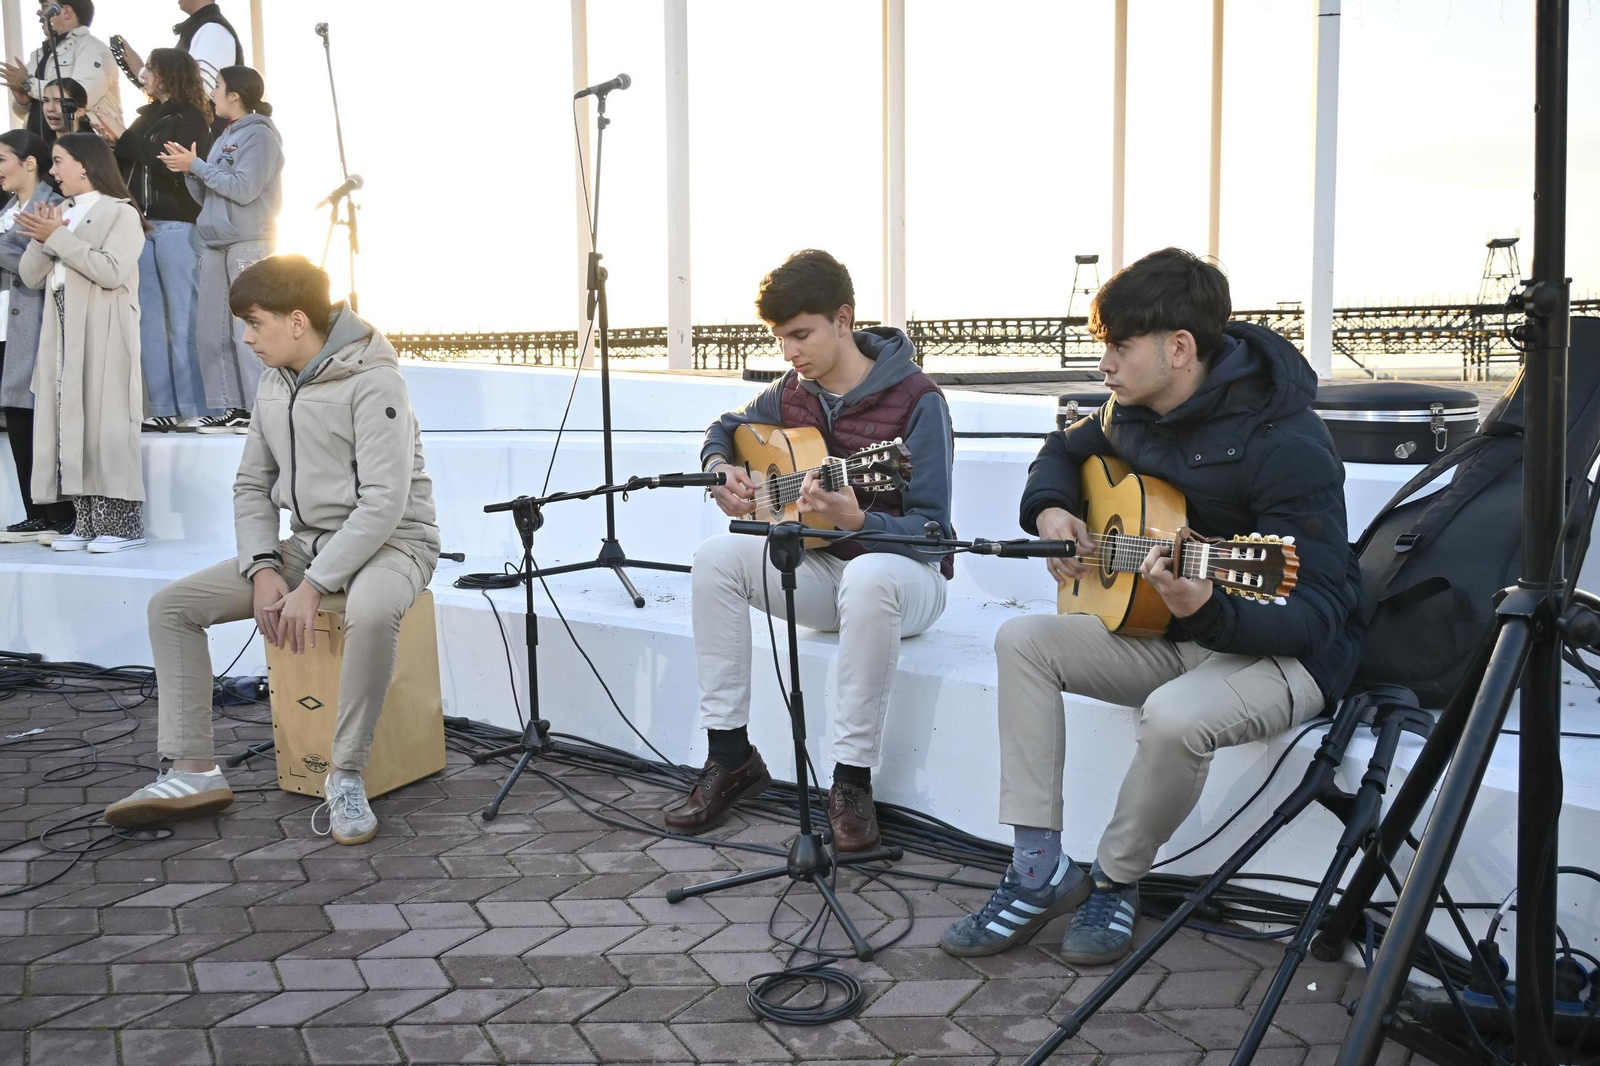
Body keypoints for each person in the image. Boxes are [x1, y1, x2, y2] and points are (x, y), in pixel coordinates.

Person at [939, 248, 1363, 964]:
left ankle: (1115, 880)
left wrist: (1207, 609)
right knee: (1022, 640)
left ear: (1179, 348)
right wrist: (1051, 512)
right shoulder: (1127, 412)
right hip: (1171, 628)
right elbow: (1061, 452)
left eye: (1118, 346)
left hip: (1282, 654)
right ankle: (1039, 869)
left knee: (1173, 717)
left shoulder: (1289, 444)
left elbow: (1318, 606)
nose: (1104, 363)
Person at [102, 255, 441, 845]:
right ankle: (192, 771)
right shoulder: (274, 381)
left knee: (372, 609)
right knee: (172, 607)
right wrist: (263, 567)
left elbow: (384, 504)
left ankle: (346, 774)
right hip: (305, 546)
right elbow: (251, 484)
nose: (247, 337)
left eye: (256, 323)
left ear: (297, 320)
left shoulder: (375, 380)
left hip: (394, 544)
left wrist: (311, 587)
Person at [665, 249, 955, 852]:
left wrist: (862, 519)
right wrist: (720, 468)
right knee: (716, 559)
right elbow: (724, 426)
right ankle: (731, 756)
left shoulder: (918, 401)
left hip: (906, 580)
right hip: (826, 573)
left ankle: (851, 780)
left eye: (801, 335)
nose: (790, 352)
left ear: (844, 319)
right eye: (780, 339)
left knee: (871, 576)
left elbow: (935, 533)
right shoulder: (792, 392)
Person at [16, 132, 147, 553]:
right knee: (69, 424)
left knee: (104, 423)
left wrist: (57, 237)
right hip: (61, 329)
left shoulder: (121, 213)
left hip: (104, 328)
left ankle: (124, 526)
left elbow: (110, 271)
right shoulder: (62, 212)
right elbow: (30, 277)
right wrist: (43, 236)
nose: (52, 171)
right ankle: (87, 521)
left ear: (86, 165)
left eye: (58, 161)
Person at [93, 48, 213, 431]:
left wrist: (125, 141)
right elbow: (133, 161)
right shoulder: (146, 118)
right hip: (141, 224)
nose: (142, 73)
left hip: (178, 222)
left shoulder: (191, 117)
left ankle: (194, 406)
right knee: (148, 320)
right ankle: (161, 405)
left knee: (182, 318)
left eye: (150, 68)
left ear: (167, 74)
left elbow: (171, 168)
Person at [160, 64, 281, 434]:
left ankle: (261, 408)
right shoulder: (225, 134)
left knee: (246, 329)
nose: (211, 92)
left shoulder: (260, 135)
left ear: (235, 94)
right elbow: (210, 195)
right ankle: (229, 406)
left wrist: (197, 165)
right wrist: (190, 172)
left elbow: (244, 189)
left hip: (247, 241)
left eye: (217, 85)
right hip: (214, 241)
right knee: (211, 330)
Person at [0, 129, 70, 542]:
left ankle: (56, 510)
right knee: (18, 414)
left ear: (29, 163)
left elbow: (38, 252)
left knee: (36, 414)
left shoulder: (53, 204)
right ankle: (34, 510)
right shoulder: (10, 207)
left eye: (3, 159)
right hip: (9, 320)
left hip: (36, 320)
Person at [2, 2, 121, 143]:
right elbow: (27, 114)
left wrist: (28, 84)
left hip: (82, 151)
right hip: (41, 150)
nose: (39, 13)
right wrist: (23, 102)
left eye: (45, 6)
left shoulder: (92, 48)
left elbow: (81, 97)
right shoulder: (39, 54)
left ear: (66, 11)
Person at [114, 0, 243, 96]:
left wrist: (141, 72)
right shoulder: (203, 28)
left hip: (206, 132)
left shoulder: (214, 30)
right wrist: (141, 73)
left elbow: (199, 90)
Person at [41, 77, 94, 143]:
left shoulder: (92, 145)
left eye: (59, 102)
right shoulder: (41, 146)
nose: (50, 109)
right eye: (46, 100)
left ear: (80, 111)